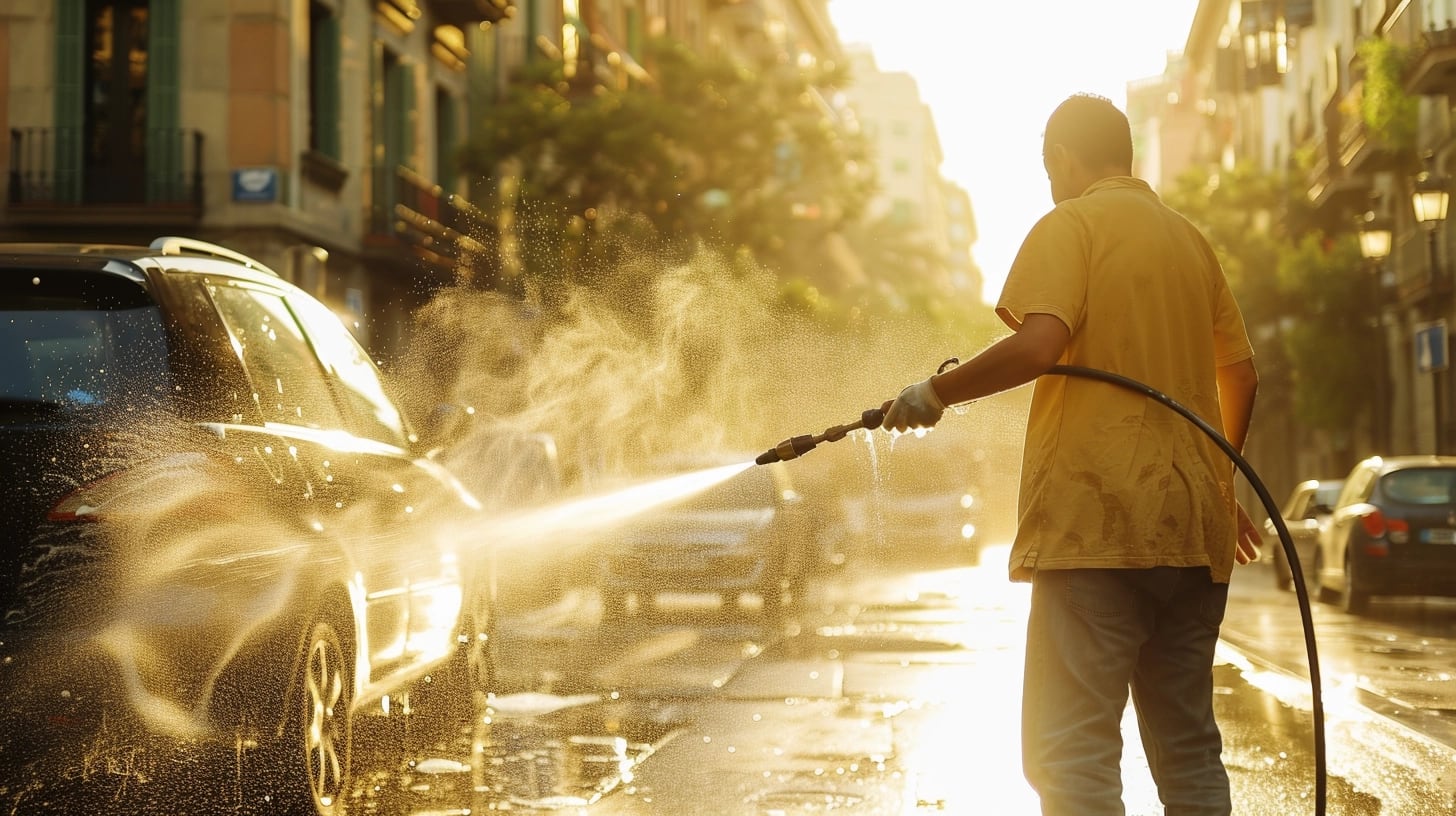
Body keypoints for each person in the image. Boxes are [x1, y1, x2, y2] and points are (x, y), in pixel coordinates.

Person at [881, 93, 1262, 816]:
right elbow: (1241, 374)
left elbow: (1038, 344)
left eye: (1047, 164)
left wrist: (936, 391)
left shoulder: (1072, 224)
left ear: (1061, 156)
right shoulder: (1189, 241)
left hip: (1097, 523)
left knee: (1072, 752)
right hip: (1189, 531)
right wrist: (1220, 483)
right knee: (1187, 752)